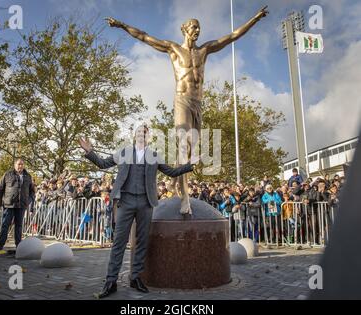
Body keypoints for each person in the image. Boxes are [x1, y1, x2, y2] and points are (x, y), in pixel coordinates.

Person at [106, 5, 268, 215]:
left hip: (197, 104)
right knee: (184, 146)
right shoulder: (173, 49)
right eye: (193, 27)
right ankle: (184, 196)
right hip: (181, 100)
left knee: (190, 151)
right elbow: (144, 37)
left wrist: (255, 19)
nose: (197, 30)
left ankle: (174, 180)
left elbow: (232, 36)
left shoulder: (204, 50)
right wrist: (121, 25)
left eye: (198, 27)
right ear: (184, 29)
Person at [79, 124, 198, 298]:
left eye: (145, 132)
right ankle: (111, 282)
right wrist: (90, 152)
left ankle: (135, 277)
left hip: (145, 203)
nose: (142, 134)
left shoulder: (154, 155)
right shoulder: (124, 152)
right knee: (119, 242)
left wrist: (189, 165)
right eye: (139, 132)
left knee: (142, 241)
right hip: (126, 201)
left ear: (148, 136)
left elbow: (172, 172)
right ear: (134, 135)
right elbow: (103, 164)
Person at [0, 159, 35, 251]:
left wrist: (28, 200)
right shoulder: (7, 174)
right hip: (9, 204)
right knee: (5, 224)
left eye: (22, 164)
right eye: (18, 164)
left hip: (21, 205)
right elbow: (0, 189)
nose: (20, 166)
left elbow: (32, 191)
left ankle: (18, 245)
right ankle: (0, 245)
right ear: (15, 165)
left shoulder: (28, 176)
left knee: (19, 225)